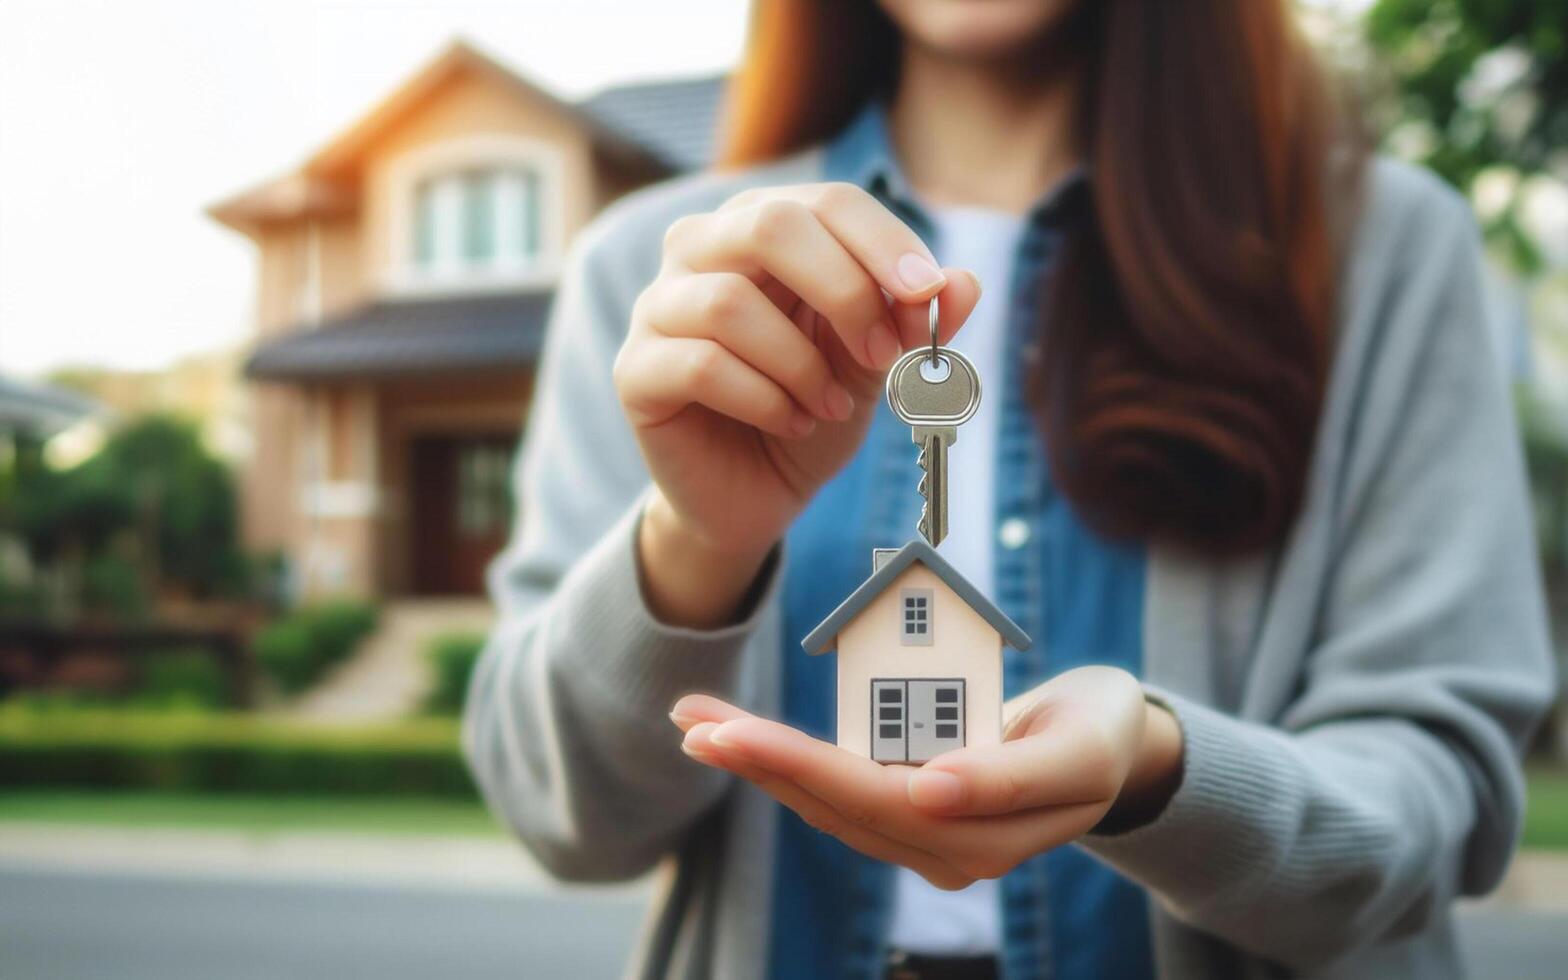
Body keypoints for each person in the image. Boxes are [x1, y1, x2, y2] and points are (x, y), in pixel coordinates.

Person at [463, 1, 1555, 977]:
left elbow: (1432, 806)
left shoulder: (1377, 249)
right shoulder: (672, 276)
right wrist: (694, 541)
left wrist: (1160, 771)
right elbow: (567, 820)